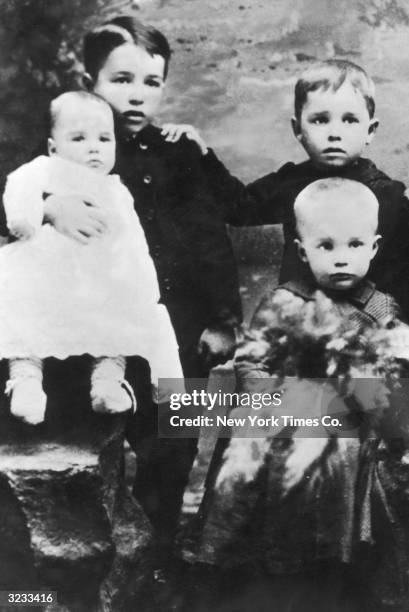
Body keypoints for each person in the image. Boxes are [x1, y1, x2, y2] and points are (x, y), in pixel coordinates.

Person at [29, 17, 242, 568]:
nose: (137, 94)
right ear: (88, 79)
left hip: (173, 328)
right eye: (121, 79)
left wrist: (222, 318)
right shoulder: (64, 152)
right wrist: (46, 206)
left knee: (172, 442)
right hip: (90, 329)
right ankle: (89, 559)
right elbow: (16, 205)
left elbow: (210, 237)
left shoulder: (177, 154)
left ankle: (160, 555)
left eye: (151, 82)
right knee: (88, 436)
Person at [186, 179, 409, 612]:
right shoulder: (285, 301)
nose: (341, 256)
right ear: (303, 250)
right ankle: (272, 574)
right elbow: (253, 363)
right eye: (326, 246)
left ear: (374, 248)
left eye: (354, 244)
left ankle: (342, 571)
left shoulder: (381, 309)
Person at [0, 90, 183, 425]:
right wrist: (37, 212)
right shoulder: (42, 170)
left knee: (116, 322)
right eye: (79, 138)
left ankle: (107, 383)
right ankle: (25, 383)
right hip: (42, 277)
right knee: (23, 318)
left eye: (104, 138)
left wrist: (142, 289)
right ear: (54, 147)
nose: (94, 147)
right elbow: (17, 189)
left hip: (95, 281)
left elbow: (134, 245)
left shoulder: (116, 190)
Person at [187, 59, 409, 318]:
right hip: (302, 312)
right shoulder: (289, 183)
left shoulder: (387, 194)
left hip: (366, 318)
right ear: (298, 129)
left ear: (370, 130)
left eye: (349, 120)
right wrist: (203, 158)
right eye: (320, 120)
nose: (334, 132)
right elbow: (239, 209)